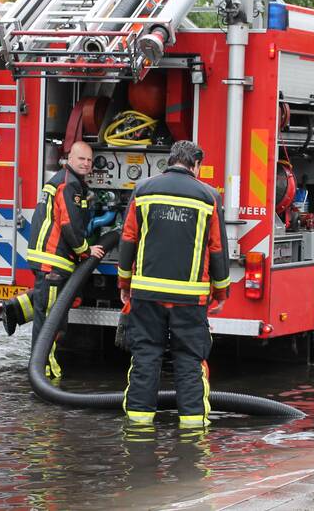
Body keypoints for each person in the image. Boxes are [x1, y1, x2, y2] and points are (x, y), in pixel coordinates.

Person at [117, 140, 230, 427]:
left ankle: (138, 427)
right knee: (189, 362)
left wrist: (124, 284)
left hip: (147, 294)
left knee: (145, 358)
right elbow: (217, 249)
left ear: (170, 160)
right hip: (190, 299)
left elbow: (128, 239)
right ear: (196, 165)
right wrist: (221, 292)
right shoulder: (208, 197)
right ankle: (192, 431)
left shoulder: (143, 190)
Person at [21, 140, 105, 379]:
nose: (86, 163)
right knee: (51, 319)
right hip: (52, 260)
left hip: (52, 259)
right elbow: (69, 223)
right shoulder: (68, 184)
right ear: (69, 158)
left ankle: (43, 364)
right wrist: (86, 251)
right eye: (81, 159)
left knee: (50, 316)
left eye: (89, 160)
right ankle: (42, 370)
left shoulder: (69, 182)